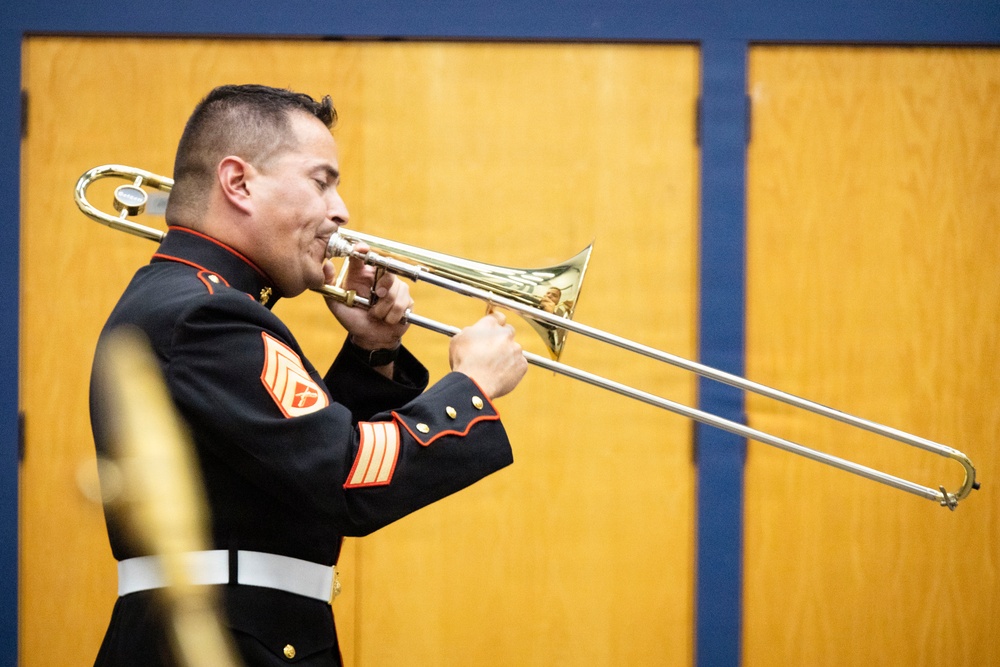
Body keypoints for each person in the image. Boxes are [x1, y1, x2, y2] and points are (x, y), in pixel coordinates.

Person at [89, 84, 528, 666]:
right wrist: (469, 388)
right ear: (238, 183)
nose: (340, 210)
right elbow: (346, 478)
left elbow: (296, 474)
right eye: (321, 182)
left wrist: (372, 351)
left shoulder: (193, 300)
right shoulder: (208, 315)